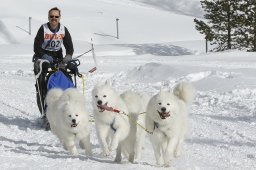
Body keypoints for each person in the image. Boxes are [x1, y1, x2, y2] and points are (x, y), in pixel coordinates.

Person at [33, 7, 74, 129]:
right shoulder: (43, 29)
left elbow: (69, 46)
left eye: (56, 16)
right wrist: (44, 56)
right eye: (51, 16)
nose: (54, 19)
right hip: (42, 57)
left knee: (63, 80)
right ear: (48, 17)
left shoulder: (63, 29)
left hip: (58, 57)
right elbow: (36, 47)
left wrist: (68, 56)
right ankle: (46, 113)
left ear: (59, 18)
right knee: (42, 83)